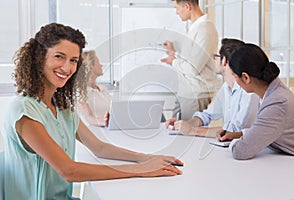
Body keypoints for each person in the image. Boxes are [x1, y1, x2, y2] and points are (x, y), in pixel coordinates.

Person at [1, 23, 183, 200]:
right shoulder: (23, 111)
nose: (67, 68)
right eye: (59, 56)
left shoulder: (63, 108)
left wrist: (145, 158)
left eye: (73, 60)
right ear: (40, 58)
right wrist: (140, 170)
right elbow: (69, 171)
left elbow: (99, 148)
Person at [219, 43, 294, 159]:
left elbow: (240, 151)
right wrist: (240, 135)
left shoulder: (277, 102)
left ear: (246, 77)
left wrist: (234, 143)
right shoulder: (274, 90)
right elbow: (270, 128)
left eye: (234, 76)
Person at [166, 38, 259, 137]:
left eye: (216, 56)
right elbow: (206, 115)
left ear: (224, 61)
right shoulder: (226, 87)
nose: (213, 60)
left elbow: (235, 131)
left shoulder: (249, 92)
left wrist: (192, 130)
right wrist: (184, 124)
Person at [161, 0, 220, 120]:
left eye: (177, 8)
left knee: (188, 135)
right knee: (174, 130)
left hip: (196, 94)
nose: (177, 13)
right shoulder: (196, 27)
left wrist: (173, 61)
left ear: (187, 7)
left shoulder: (205, 29)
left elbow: (193, 68)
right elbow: (192, 59)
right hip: (186, 92)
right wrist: (174, 54)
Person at [76, 50, 111, 127]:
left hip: (108, 130)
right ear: (90, 66)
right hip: (95, 132)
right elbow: (89, 118)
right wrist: (105, 122)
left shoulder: (102, 89)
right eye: (98, 62)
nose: (101, 65)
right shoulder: (80, 91)